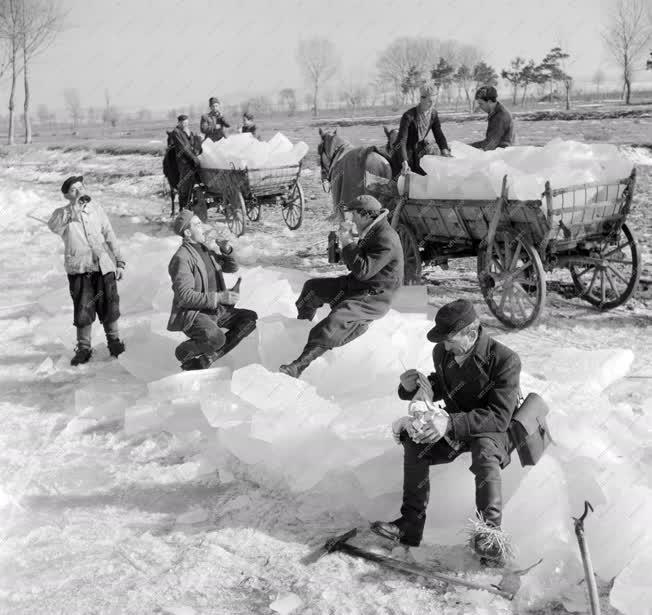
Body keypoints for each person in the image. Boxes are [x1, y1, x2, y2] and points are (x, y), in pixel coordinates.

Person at [371, 299, 522, 566]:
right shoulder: (443, 352)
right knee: (414, 441)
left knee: (484, 451)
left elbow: (499, 416)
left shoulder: (505, 360)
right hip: (453, 424)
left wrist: (449, 422)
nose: (445, 346)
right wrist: (414, 386)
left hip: (493, 430)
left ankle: (490, 538)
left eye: (450, 339)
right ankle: (409, 524)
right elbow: (444, 384)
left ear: (472, 333)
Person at [279, 195, 404, 378]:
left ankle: (298, 366)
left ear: (364, 215)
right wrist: (341, 250)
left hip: (374, 297)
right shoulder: (372, 230)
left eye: (352, 215)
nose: (349, 219)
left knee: (334, 321)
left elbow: (363, 271)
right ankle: (301, 330)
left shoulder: (386, 238)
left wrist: (347, 241)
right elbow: (358, 264)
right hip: (357, 285)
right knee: (312, 288)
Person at [48, 176, 126, 366]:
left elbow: (109, 234)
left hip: (103, 265)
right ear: (67, 195)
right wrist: (72, 209)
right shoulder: (62, 214)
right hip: (80, 269)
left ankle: (114, 342)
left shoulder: (96, 209)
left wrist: (120, 261)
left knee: (109, 304)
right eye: (74, 190)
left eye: (81, 188)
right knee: (83, 308)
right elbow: (54, 226)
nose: (79, 192)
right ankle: (84, 348)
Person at [167, 210, 258, 371]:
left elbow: (231, 267)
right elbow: (184, 297)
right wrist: (220, 297)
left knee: (249, 319)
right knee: (216, 339)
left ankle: (210, 357)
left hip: (217, 310)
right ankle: (185, 352)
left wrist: (226, 250)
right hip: (196, 314)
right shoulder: (181, 259)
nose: (202, 227)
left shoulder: (204, 250)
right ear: (188, 232)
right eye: (197, 224)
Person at [396, 83, 452, 176]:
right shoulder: (409, 116)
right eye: (430, 101)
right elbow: (401, 140)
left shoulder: (433, 114)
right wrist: (404, 161)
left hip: (419, 148)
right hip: (405, 150)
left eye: (434, 101)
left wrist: (444, 149)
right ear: (422, 99)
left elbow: (439, 134)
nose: (432, 104)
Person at [169, 114, 200, 210]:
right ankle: (183, 207)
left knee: (194, 181)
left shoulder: (187, 131)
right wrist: (193, 158)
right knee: (185, 184)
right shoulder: (176, 132)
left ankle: (192, 203)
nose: (185, 124)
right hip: (184, 161)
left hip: (191, 159)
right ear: (179, 123)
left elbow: (192, 144)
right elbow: (183, 147)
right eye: (183, 123)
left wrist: (191, 136)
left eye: (186, 122)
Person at [469, 86, 515, 150]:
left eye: (481, 104)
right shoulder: (496, 111)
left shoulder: (499, 117)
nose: (480, 107)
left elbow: (490, 144)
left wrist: (467, 147)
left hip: (502, 153)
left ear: (490, 102)